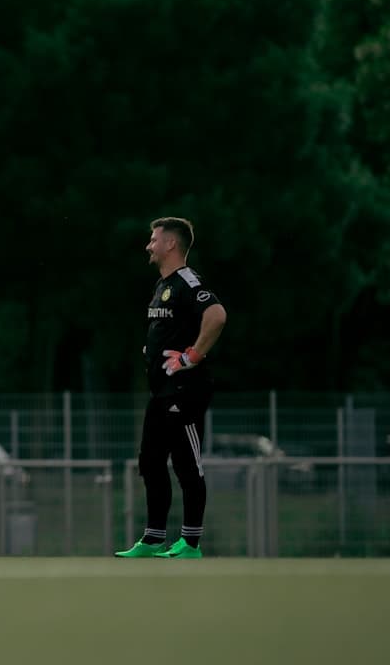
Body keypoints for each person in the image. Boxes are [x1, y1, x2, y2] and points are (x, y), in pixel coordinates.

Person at [115, 217, 227, 559]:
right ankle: (153, 539)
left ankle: (191, 543)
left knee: (186, 465)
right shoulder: (162, 286)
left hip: (185, 391)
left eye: (153, 240)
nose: (149, 246)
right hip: (162, 392)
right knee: (150, 462)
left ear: (170, 244)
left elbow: (217, 315)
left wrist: (192, 355)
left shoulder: (188, 281)